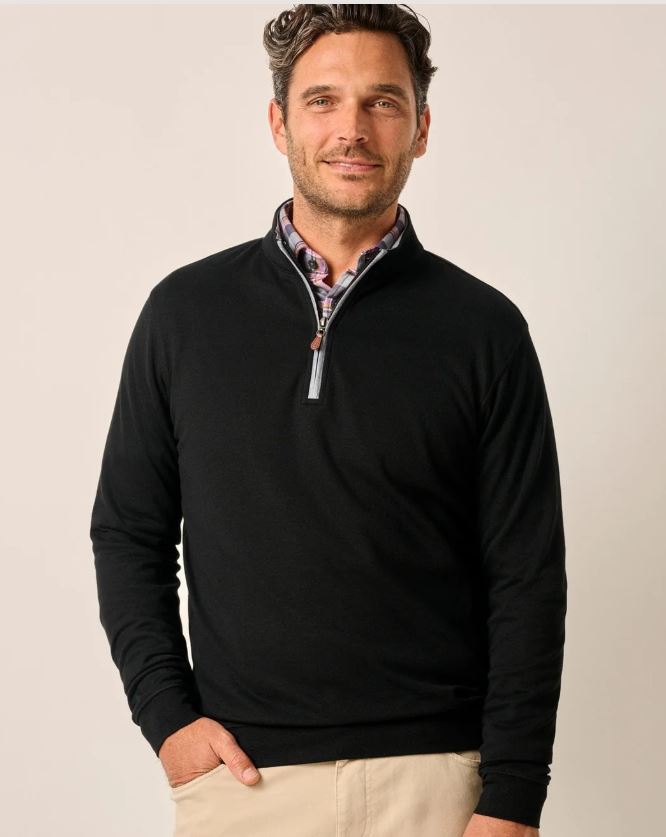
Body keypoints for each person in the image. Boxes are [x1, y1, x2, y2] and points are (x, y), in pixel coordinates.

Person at [90, 5, 567, 836]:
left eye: (383, 101)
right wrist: (168, 719)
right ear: (279, 123)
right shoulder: (184, 315)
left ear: (421, 129)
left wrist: (514, 796)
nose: (353, 129)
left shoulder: (484, 331)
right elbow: (129, 532)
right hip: (246, 782)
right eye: (323, 100)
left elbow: (527, 574)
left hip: (438, 782)